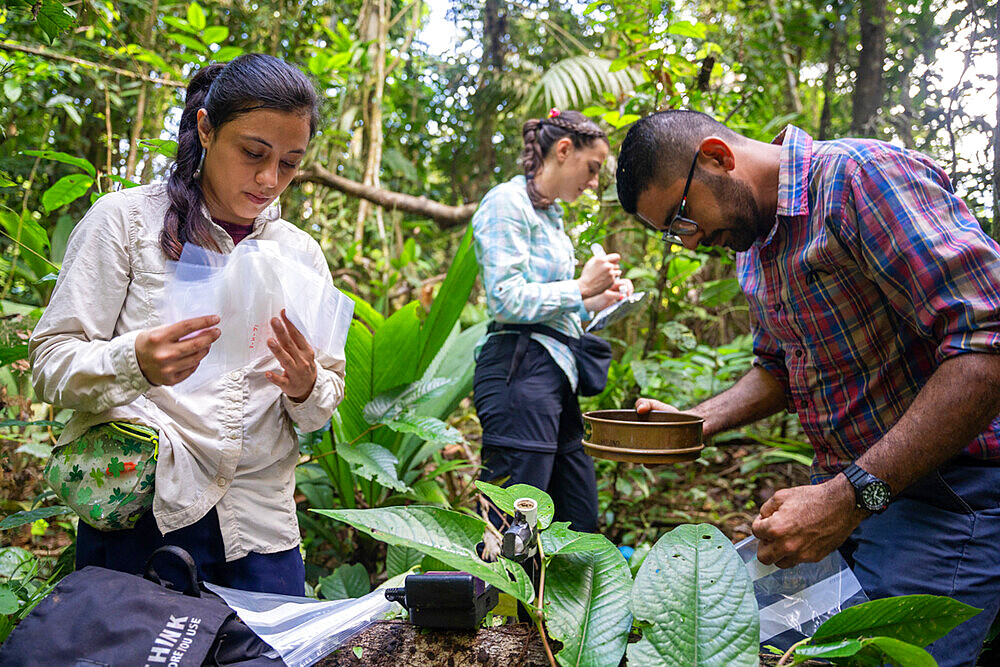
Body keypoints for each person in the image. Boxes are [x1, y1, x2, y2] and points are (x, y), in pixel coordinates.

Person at [614, 109, 1000, 665]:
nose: (692, 243)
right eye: (674, 234)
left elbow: (986, 340)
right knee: (728, 639)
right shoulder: (754, 247)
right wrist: (697, 421)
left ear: (718, 158)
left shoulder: (857, 180)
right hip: (854, 495)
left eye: (681, 217)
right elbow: (777, 368)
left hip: (947, 492)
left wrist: (847, 499)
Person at [29, 54, 345, 596]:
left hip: (260, 528)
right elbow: (50, 364)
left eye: (290, 163)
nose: (270, 179)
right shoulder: (125, 222)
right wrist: (135, 362)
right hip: (146, 514)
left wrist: (306, 385)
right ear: (205, 129)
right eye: (253, 153)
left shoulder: (300, 253)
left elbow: (322, 404)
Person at [472, 109, 630, 534]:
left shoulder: (552, 218)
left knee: (578, 517)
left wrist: (597, 301)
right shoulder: (507, 202)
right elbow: (505, 299)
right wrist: (580, 287)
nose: (595, 182)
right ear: (564, 150)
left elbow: (552, 308)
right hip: (517, 373)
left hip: (555, 375)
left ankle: (563, 602)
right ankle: (500, 601)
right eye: (592, 168)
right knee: (514, 528)